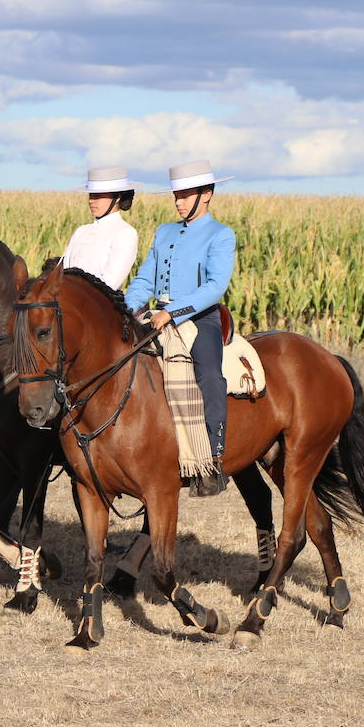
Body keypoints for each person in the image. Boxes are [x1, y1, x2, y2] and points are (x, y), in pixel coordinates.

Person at [123, 159, 236, 496]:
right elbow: (144, 278)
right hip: (155, 314)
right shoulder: (164, 231)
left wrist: (172, 312)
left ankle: (213, 460)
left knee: (210, 376)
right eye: (176, 196)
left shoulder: (221, 234)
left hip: (199, 317)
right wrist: (125, 310)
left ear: (208, 194)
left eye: (186, 195)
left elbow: (215, 287)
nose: (179, 202)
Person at [61, 167, 139, 290]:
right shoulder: (81, 231)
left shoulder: (125, 233)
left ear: (117, 197)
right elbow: (64, 272)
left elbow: (111, 283)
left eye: (98, 196)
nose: (91, 201)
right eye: (91, 195)